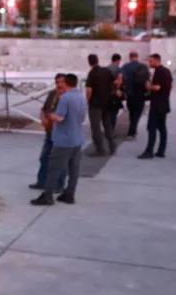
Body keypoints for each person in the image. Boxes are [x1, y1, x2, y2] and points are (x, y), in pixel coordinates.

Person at [32, 73, 86, 206]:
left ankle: (48, 196)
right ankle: (69, 194)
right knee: (74, 169)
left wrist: (50, 115)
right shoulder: (81, 97)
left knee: (54, 168)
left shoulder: (65, 98)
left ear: (66, 83)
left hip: (64, 140)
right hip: (77, 138)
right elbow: (83, 118)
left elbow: (60, 118)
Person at [30, 73, 67, 192]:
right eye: (57, 82)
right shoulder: (52, 94)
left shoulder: (68, 97)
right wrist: (43, 119)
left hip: (61, 134)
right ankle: (42, 181)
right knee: (44, 157)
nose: (59, 85)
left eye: (62, 82)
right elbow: (44, 109)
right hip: (50, 131)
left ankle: (59, 185)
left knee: (60, 160)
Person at [138, 53, 173, 160]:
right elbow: (171, 85)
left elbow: (157, 87)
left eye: (151, 61)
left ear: (157, 61)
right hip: (164, 103)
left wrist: (148, 87)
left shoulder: (159, 71)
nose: (149, 63)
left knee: (151, 127)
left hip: (157, 105)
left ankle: (149, 151)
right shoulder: (167, 71)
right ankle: (161, 151)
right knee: (162, 127)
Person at [85, 54, 116, 156]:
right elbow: (114, 83)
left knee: (96, 127)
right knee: (107, 125)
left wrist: (87, 101)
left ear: (89, 62)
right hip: (107, 103)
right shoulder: (106, 71)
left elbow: (89, 90)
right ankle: (112, 145)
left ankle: (100, 149)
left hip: (95, 104)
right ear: (98, 60)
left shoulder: (92, 73)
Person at [120, 51, 150, 139]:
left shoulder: (125, 67)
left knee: (132, 113)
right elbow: (147, 81)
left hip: (129, 94)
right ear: (137, 57)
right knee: (137, 113)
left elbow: (121, 79)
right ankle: (131, 132)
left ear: (130, 57)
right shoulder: (143, 67)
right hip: (140, 94)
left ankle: (133, 131)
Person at [107, 53, 122, 129]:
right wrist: (118, 89)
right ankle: (111, 130)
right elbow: (119, 80)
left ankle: (107, 128)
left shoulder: (107, 68)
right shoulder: (118, 69)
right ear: (118, 60)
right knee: (113, 113)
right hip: (114, 93)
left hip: (107, 93)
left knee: (107, 113)